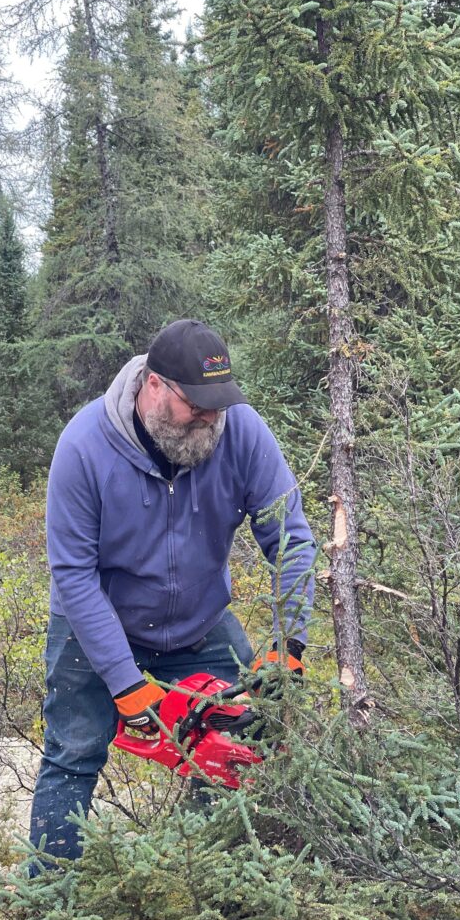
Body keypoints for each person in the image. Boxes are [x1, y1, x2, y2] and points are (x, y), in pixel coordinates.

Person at [29, 319, 315, 864]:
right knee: (73, 752)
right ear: (154, 386)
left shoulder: (242, 432)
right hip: (96, 623)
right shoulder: (84, 446)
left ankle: (206, 878)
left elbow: (292, 539)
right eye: (196, 404)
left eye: (220, 403)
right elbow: (73, 575)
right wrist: (122, 681)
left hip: (200, 622)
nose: (210, 417)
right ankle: (46, 903)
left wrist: (288, 645)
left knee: (243, 741)